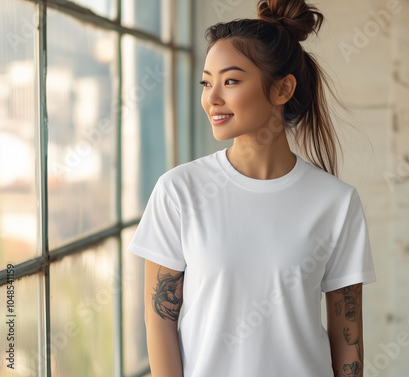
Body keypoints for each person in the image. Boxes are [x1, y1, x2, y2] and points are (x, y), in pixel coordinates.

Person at [127, 0, 376, 376]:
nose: (211, 98)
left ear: (282, 90)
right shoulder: (179, 191)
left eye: (230, 81)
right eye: (206, 82)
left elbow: (348, 338)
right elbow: (159, 320)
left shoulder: (336, 202)